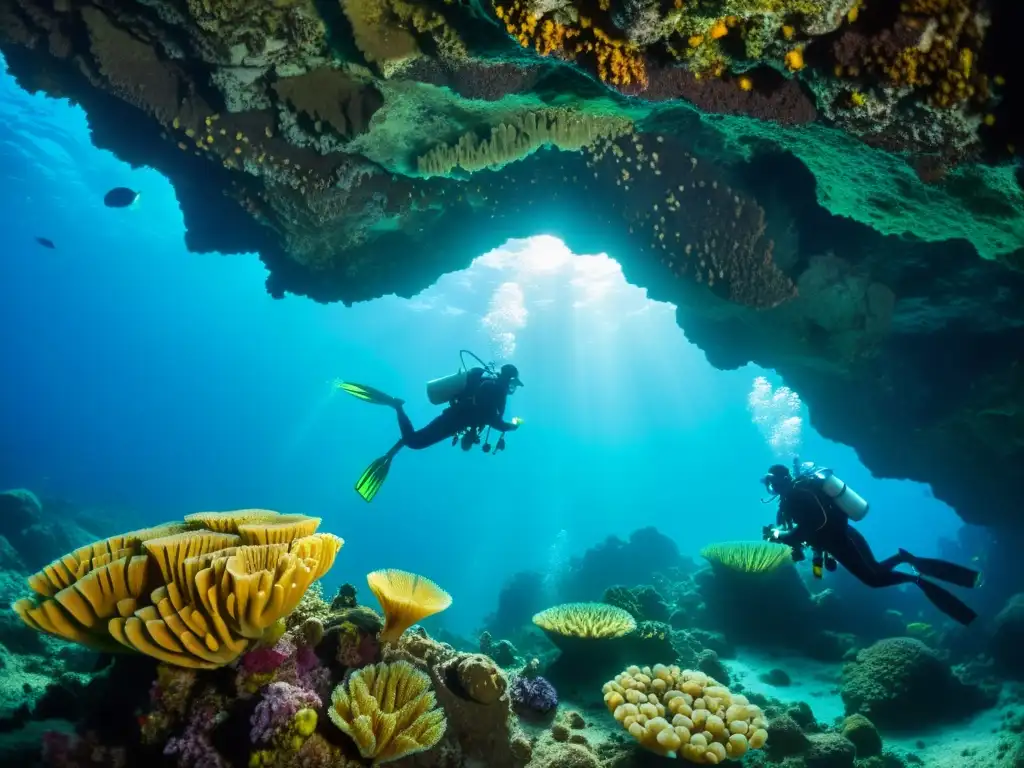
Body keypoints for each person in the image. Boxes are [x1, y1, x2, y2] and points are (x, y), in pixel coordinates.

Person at [762, 463, 981, 626]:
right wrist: (817, 571)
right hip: (838, 541)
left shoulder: (798, 496)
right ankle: (903, 559)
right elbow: (809, 541)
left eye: (770, 483)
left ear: (777, 481)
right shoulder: (792, 499)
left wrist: (777, 534)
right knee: (875, 575)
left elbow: (807, 530)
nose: (770, 488)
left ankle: (914, 573)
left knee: (875, 579)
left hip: (844, 540)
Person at [338, 363, 524, 502]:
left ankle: (398, 416)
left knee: (414, 440)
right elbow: (492, 419)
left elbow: (485, 417)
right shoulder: (496, 389)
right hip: (454, 420)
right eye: (514, 382)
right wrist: (511, 426)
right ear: (510, 379)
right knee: (415, 442)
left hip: (456, 420)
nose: (513, 387)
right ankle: (396, 405)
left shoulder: (492, 386)